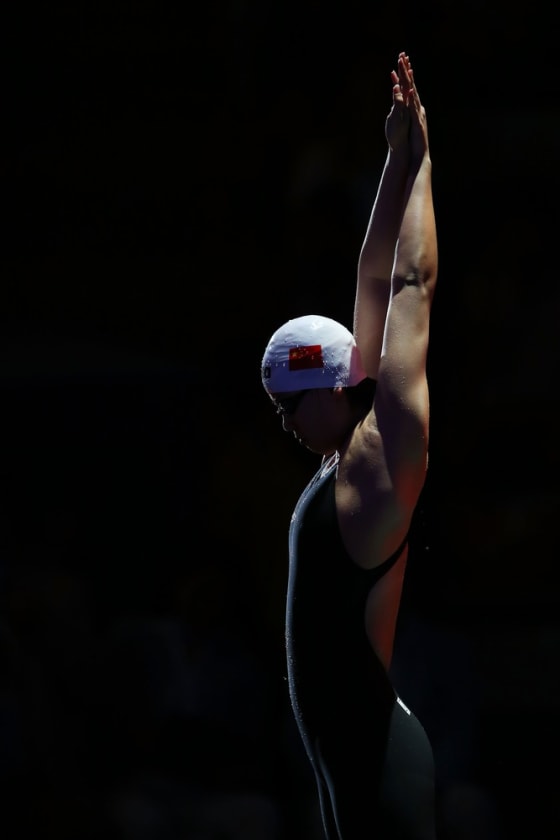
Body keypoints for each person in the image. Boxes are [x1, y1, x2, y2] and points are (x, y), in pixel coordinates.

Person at [260, 52, 438, 839]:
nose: (284, 423)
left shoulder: (380, 454)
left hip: (378, 765)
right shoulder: (338, 458)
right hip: (348, 764)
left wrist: (423, 161)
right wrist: (394, 161)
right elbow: (371, 275)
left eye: (290, 404)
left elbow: (407, 287)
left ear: (334, 387)